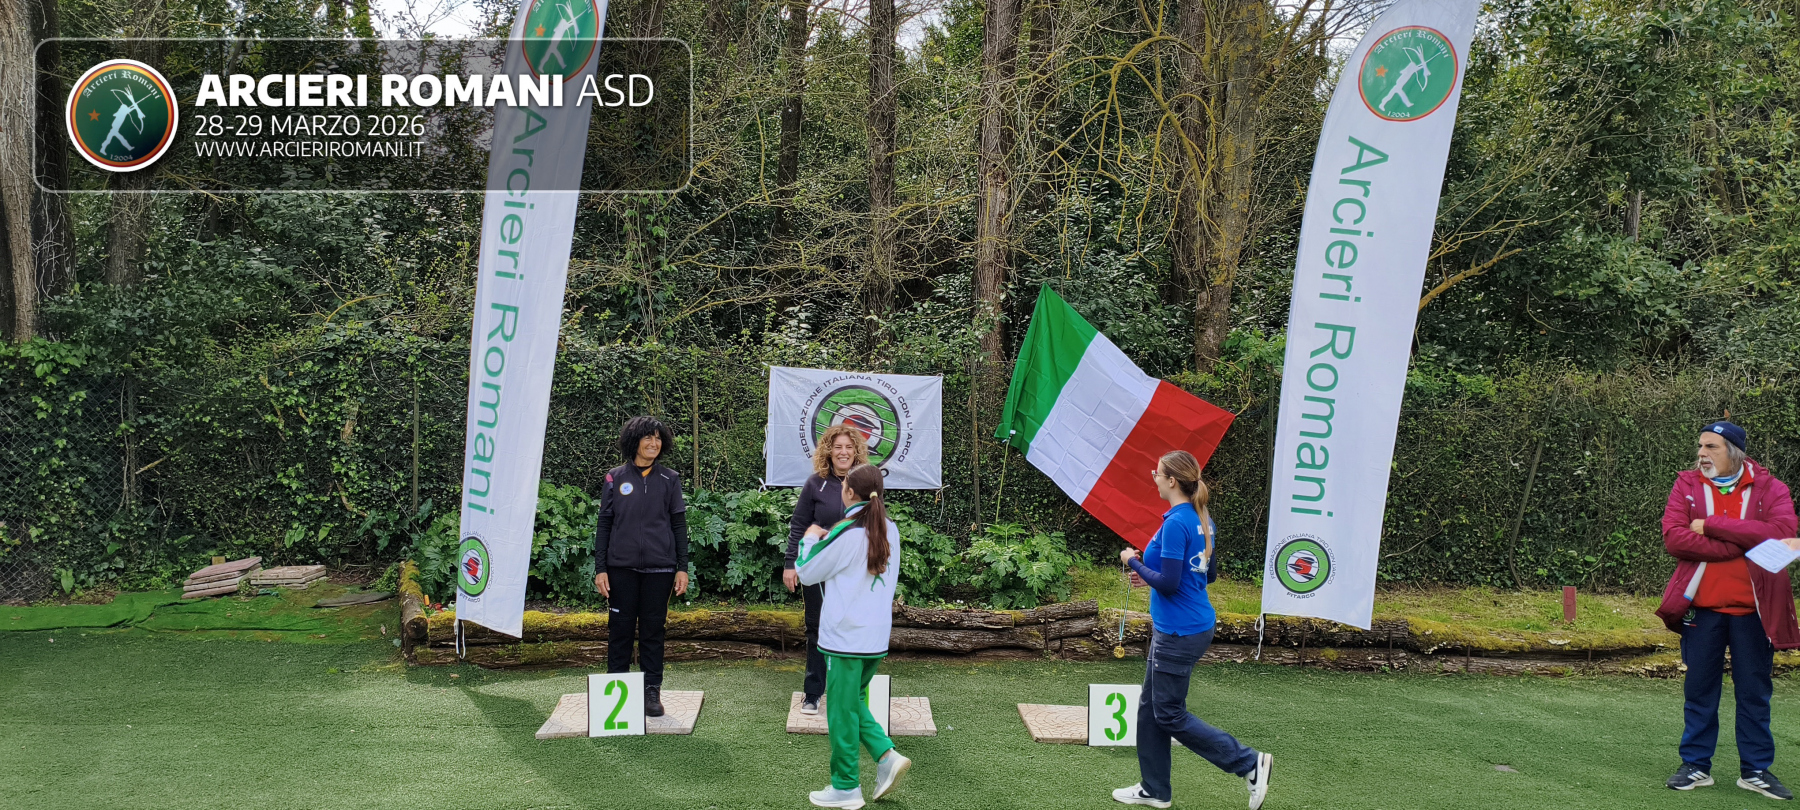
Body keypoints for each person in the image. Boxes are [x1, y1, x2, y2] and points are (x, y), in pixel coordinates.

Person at [1113, 450, 1272, 810]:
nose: (1154, 478)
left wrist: (1132, 561)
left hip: (1178, 632)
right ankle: (1154, 789)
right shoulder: (1200, 518)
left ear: (1171, 481)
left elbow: (1170, 584)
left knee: (1168, 713)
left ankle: (1249, 763)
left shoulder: (1176, 523)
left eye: (1157, 473)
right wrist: (1150, 576)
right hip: (1187, 626)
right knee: (1150, 708)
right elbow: (1205, 574)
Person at [1657, 421, 1799, 799]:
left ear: (1734, 452)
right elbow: (1675, 538)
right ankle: (1695, 766)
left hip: (1754, 611)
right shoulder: (1686, 485)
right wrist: (1744, 540)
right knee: (1699, 690)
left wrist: (1712, 526)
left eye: (1711, 447)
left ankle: (1755, 770)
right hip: (1702, 610)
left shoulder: (1771, 488)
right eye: (1700, 446)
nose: (1701, 453)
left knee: (1754, 693)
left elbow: (1784, 535)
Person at [795, 463, 909, 810]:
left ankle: (845, 786)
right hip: (875, 637)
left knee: (841, 713)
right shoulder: (890, 528)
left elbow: (807, 571)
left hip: (845, 639)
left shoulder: (847, 531)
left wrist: (810, 537)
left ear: (848, 493)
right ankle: (886, 756)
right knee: (853, 702)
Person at [592, 415, 691, 718]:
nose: (654, 443)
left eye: (658, 438)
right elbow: (604, 524)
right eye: (648, 437)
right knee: (620, 631)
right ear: (634, 441)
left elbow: (678, 524)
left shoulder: (670, 479)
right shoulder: (615, 478)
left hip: (660, 570)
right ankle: (617, 694)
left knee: (652, 632)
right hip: (620, 569)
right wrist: (601, 568)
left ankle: (651, 692)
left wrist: (682, 567)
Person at [784, 425, 871, 716]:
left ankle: (851, 692)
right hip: (819, 568)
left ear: (856, 451)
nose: (843, 452)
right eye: (838, 447)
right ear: (828, 451)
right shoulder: (815, 483)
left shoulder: (865, 483)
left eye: (849, 447)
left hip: (854, 570)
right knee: (816, 627)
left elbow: (875, 525)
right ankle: (813, 692)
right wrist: (791, 564)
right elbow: (799, 524)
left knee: (851, 627)